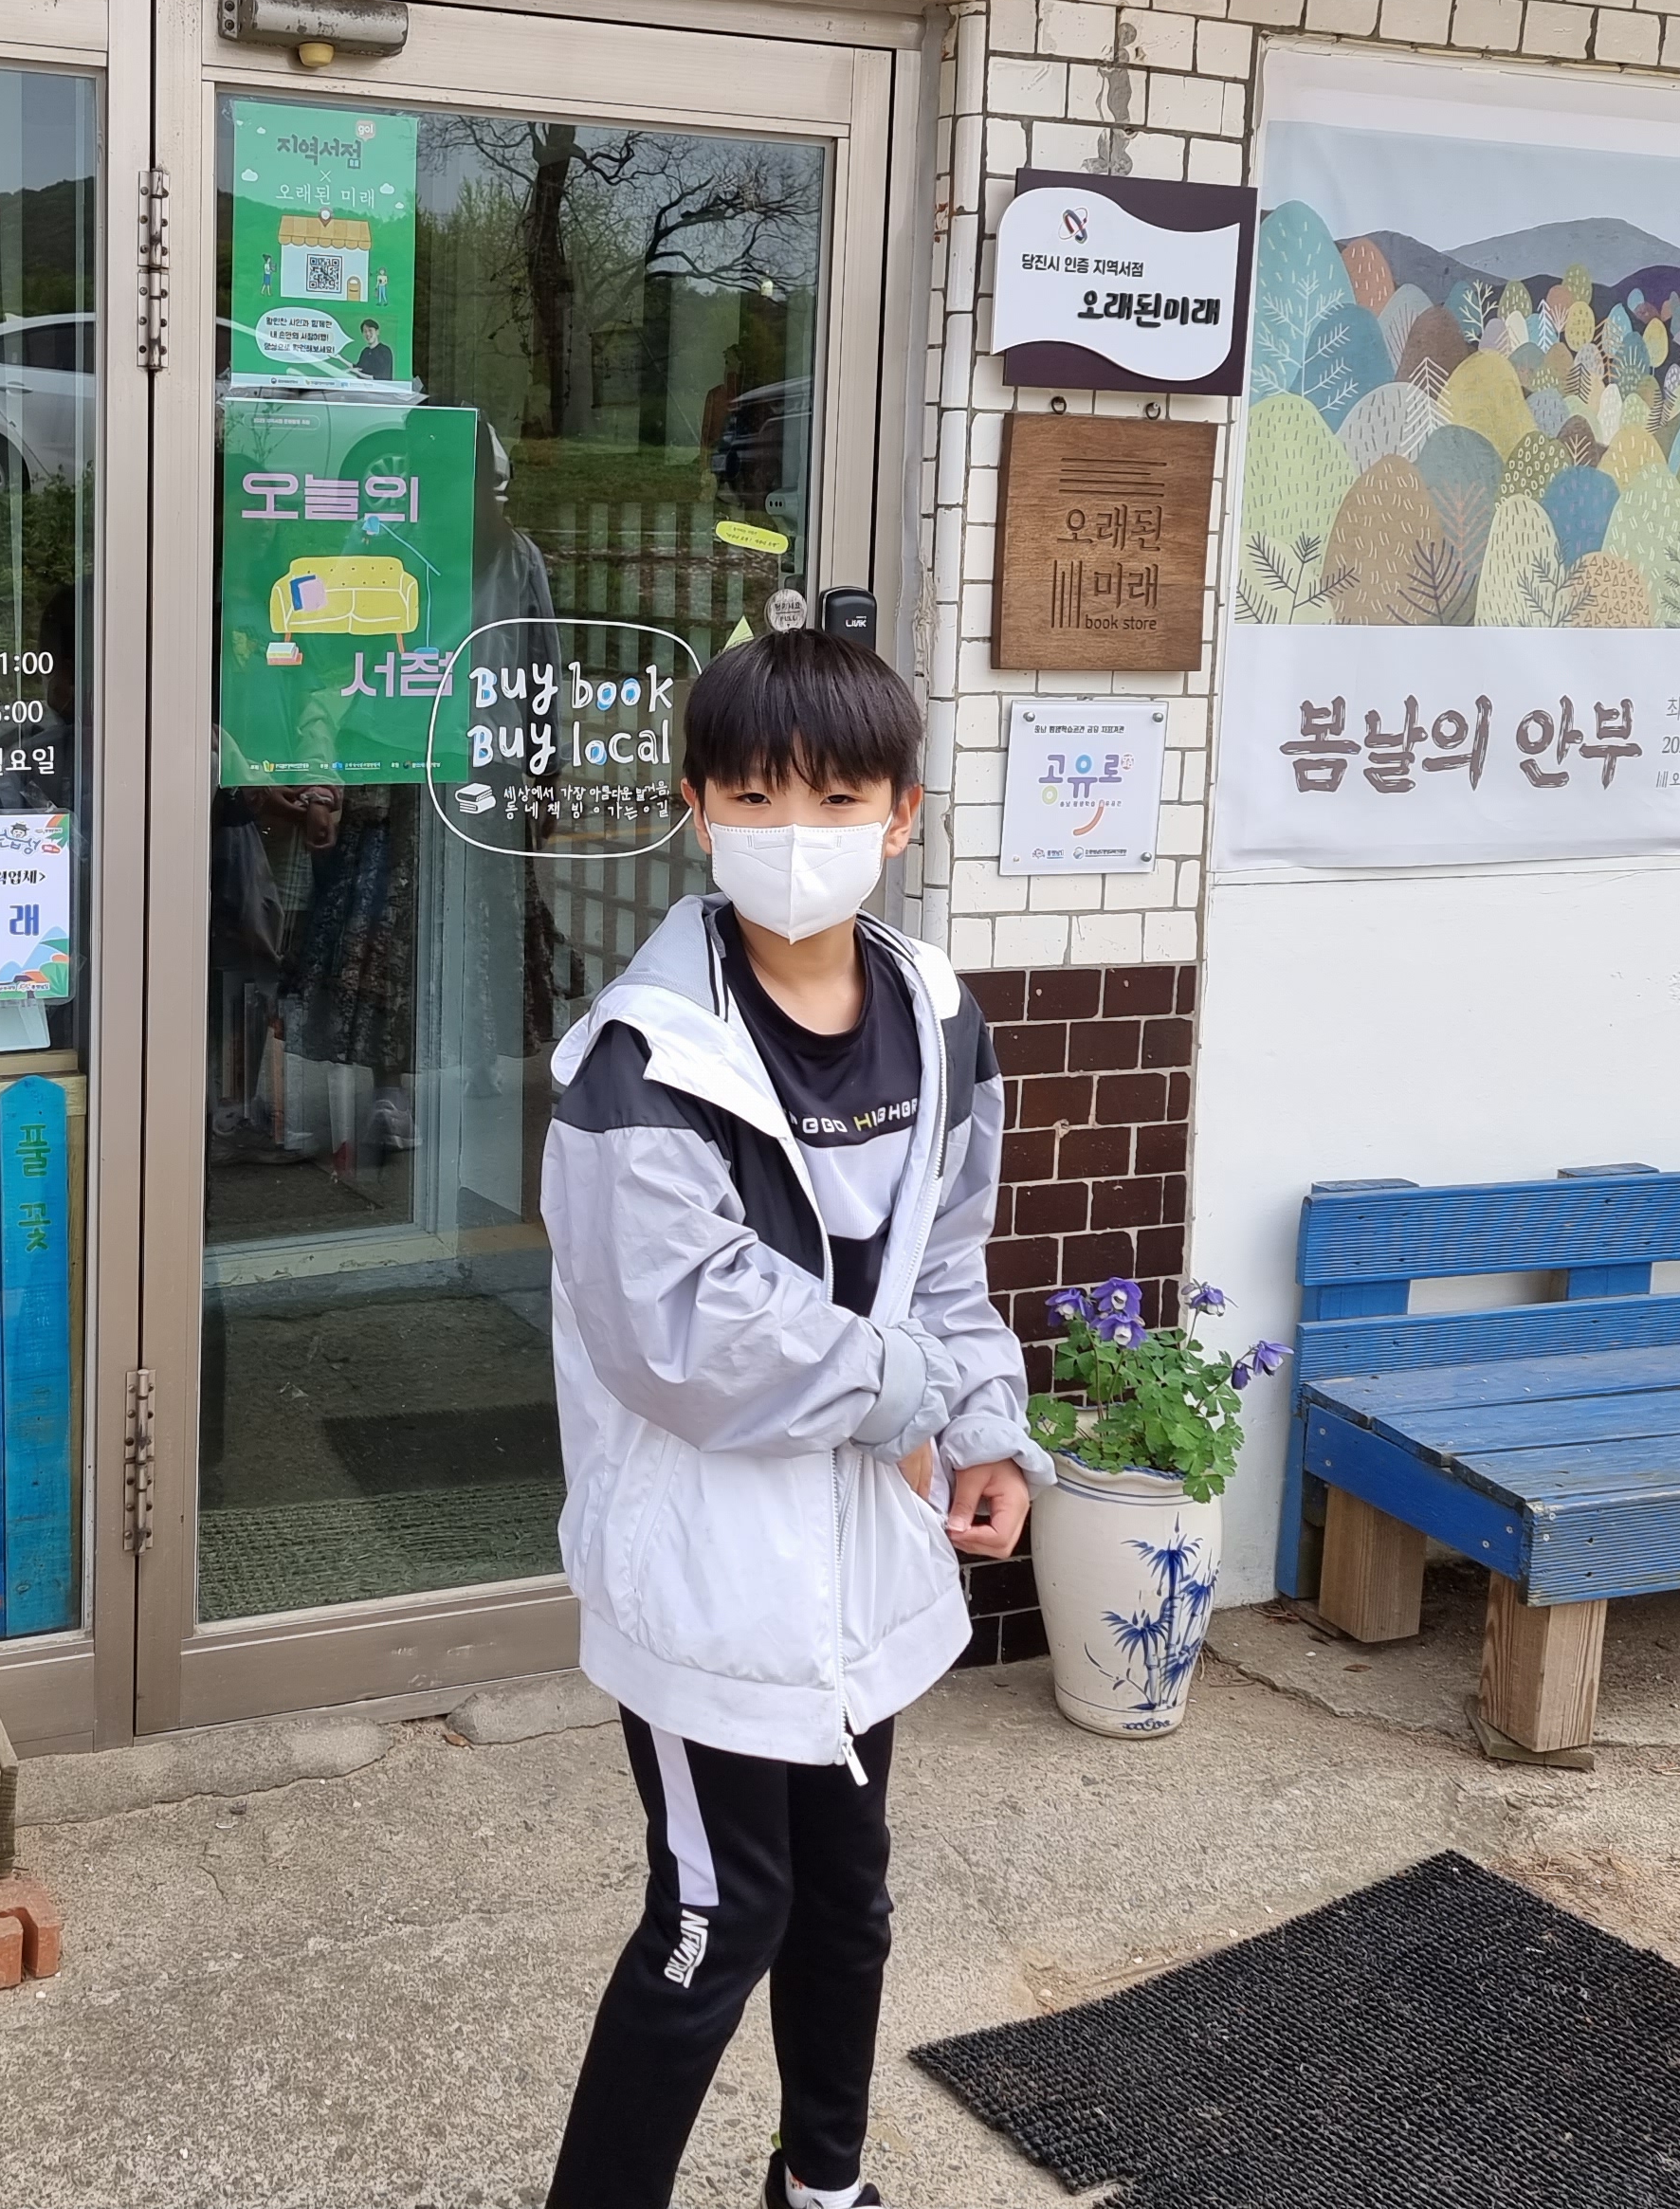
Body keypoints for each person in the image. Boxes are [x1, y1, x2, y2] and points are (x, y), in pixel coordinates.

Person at [539, 628, 1033, 2209]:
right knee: (715, 1917)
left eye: (835, 799)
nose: (795, 834)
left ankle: (822, 2187)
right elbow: (685, 1334)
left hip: (861, 1561)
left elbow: (948, 1260)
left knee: (846, 1903)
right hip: (706, 1570)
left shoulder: (938, 1018)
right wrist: (915, 1398)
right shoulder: (638, 1061)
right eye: (755, 797)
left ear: (902, 816)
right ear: (697, 809)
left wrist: (987, 1425)